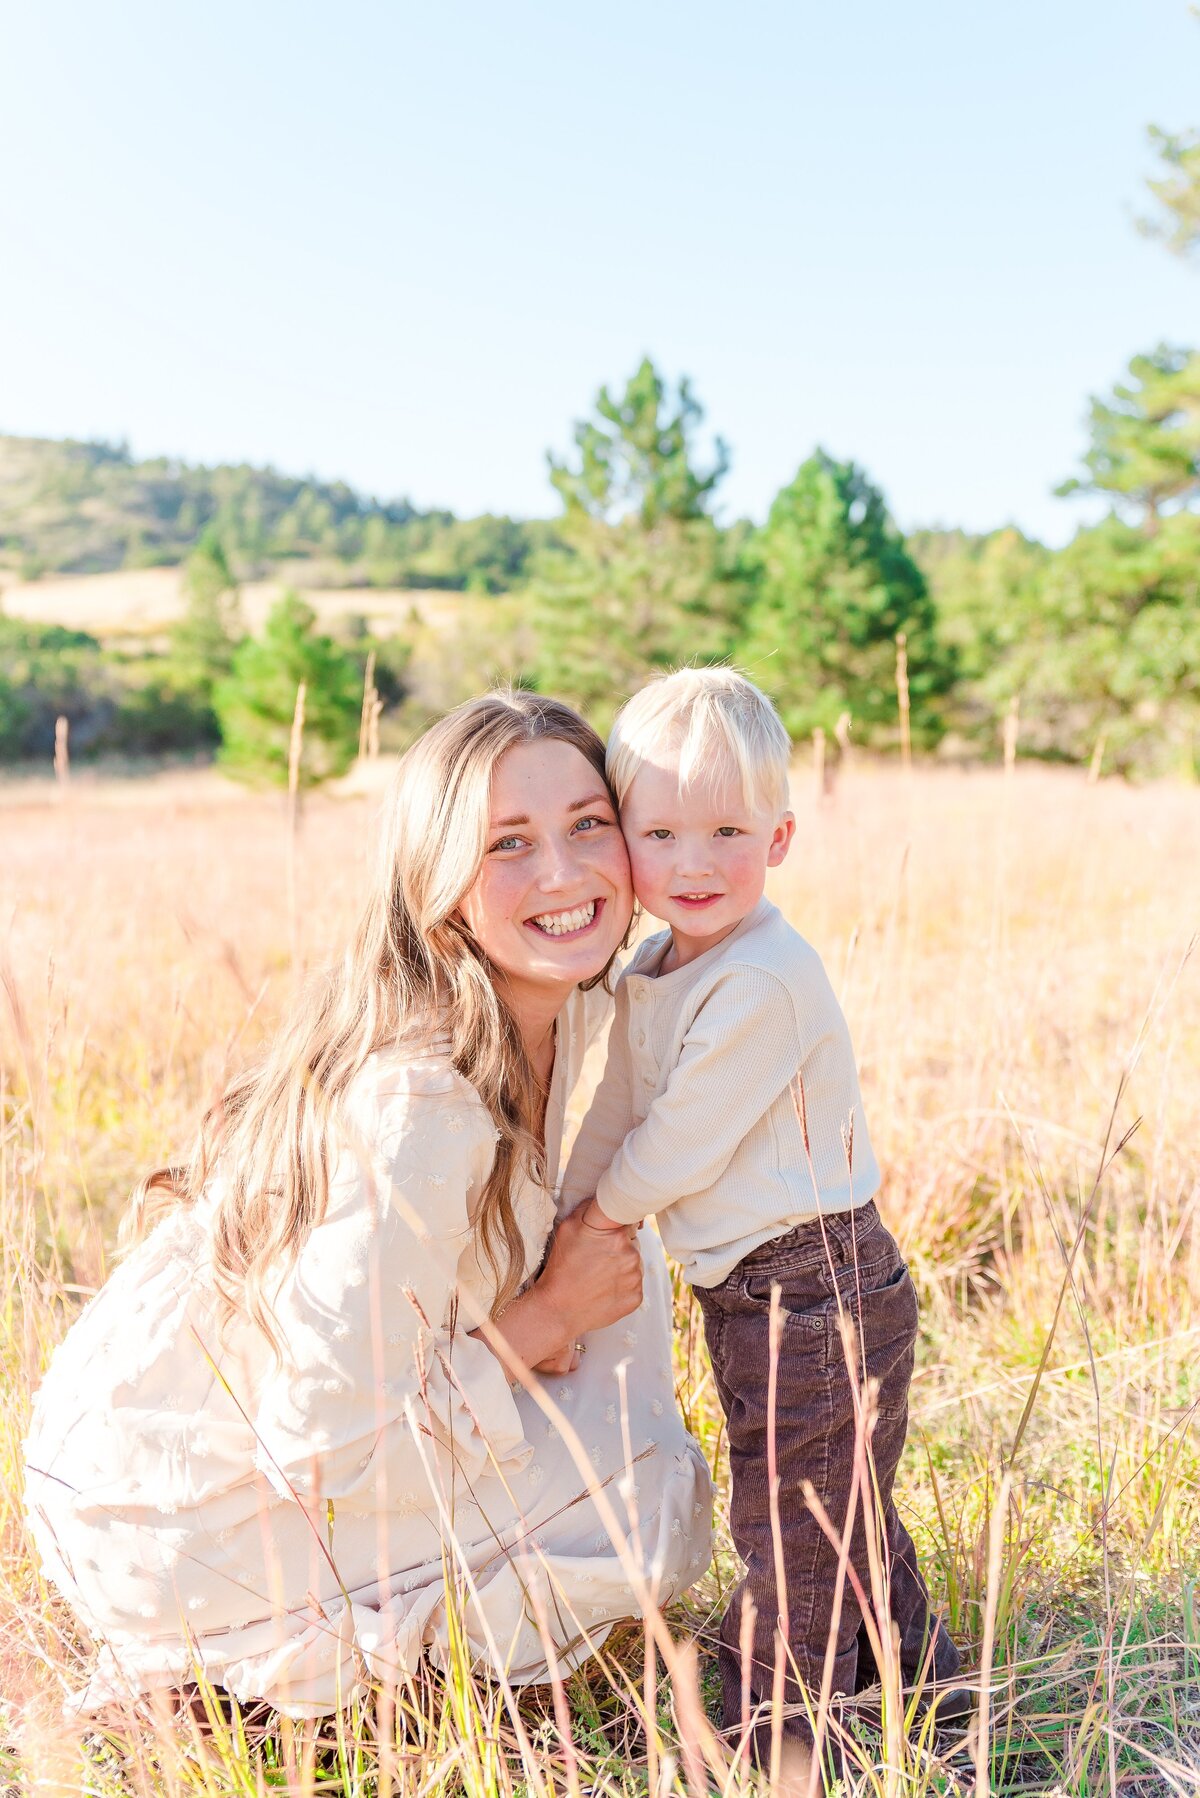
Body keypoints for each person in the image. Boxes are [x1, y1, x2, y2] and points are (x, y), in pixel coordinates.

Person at [22, 691, 712, 1721]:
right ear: (436, 886)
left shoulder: (551, 1009)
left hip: (241, 1441)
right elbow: (321, 1450)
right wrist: (542, 1322)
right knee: (649, 1508)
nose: (564, 873)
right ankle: (245, 1663)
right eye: (506, 843)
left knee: (626, 1338)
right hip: (177, 1508)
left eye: (587, 824)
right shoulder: (420, 1107)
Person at [560, 668, 964, 1770]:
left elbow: (677, 1142)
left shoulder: (762, 981)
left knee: (792, 1524)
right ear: (623, 840)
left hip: (815, 1284)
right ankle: (921, 1679)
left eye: (728, 830)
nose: (694, 863)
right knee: (837, 1506)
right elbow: (613, 1107)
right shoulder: (658, 966)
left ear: (781, 838)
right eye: (663, 832)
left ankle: (769, 1737)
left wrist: (597, 1219)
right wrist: (559, 1205)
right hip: (752, 1290)